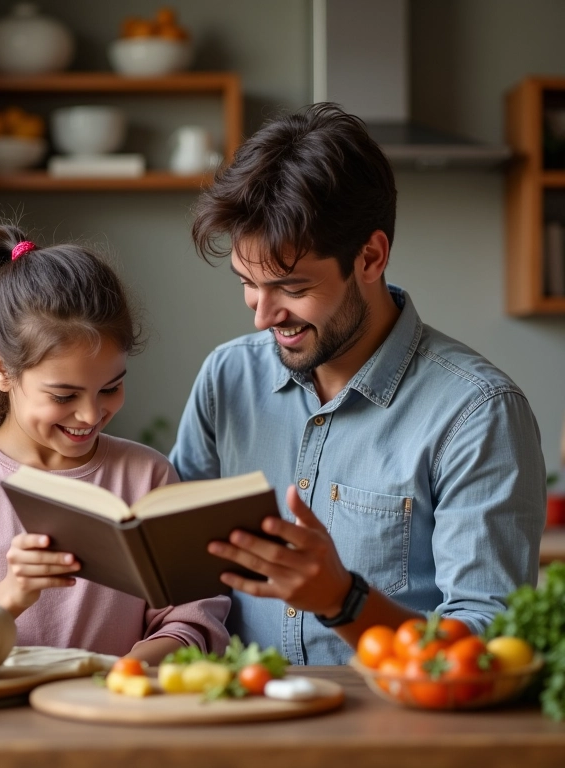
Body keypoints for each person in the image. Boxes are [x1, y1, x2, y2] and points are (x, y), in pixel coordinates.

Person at [170, 103, 547, 666]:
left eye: (291, 288)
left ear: (370, 257)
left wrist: (342, 601)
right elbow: (182, 566)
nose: (262, 315)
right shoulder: (228, 377)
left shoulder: (477, 413)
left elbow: (490, 643)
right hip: (241, 721)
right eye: (248, 283)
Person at [0, 223, 229, 664]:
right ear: (1, 370)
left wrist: (128, 673)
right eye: (64, 396)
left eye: (110, 387)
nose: (91, 415)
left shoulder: (149, 476)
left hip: (111, 719)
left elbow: (193, 621)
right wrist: (8, 595)